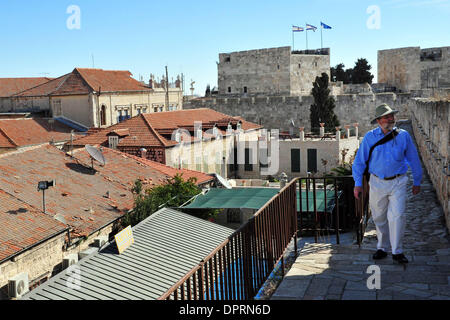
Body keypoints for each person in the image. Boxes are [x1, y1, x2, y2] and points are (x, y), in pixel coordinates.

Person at [352, 104, 422, 264]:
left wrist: (417, 180)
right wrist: (358, 183)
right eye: (387, 117)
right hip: (377, 182)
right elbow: (359, 162)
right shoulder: (370, 137)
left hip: (398, 181)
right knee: (379, 216)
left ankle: (397, 251)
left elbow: (413, 158)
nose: (391, 119)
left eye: (392, 116)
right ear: (378, 120)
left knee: (397, 216)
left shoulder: (403, 136)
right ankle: (382, 247)